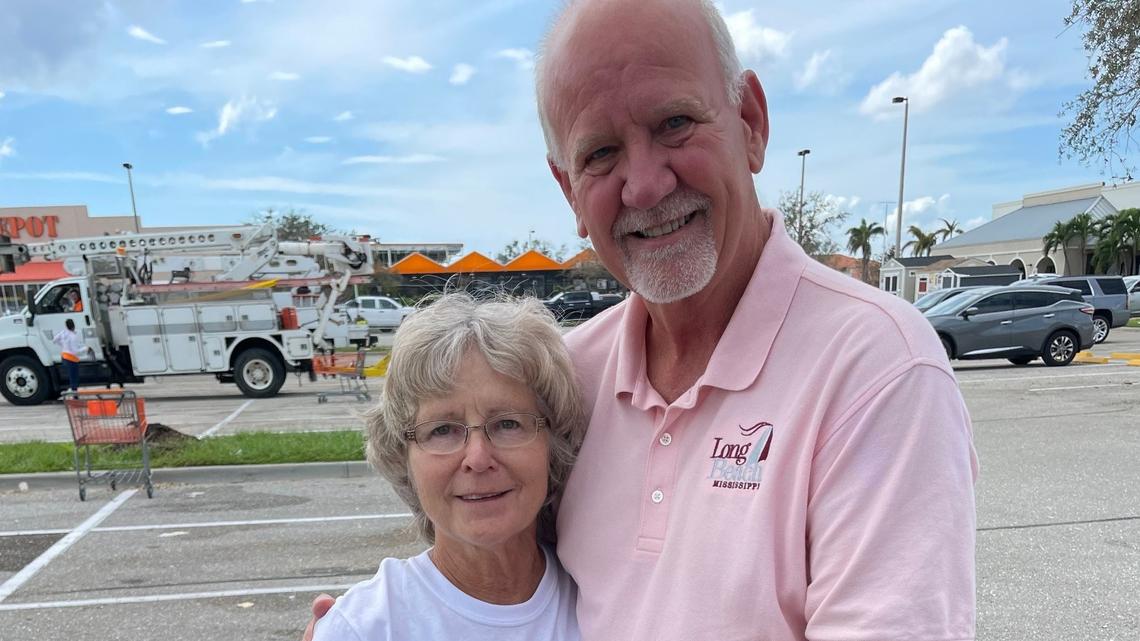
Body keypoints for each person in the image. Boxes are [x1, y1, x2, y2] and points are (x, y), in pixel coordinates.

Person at [308, 1, 977, 639]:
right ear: (568, 188)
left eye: (674, 124)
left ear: (750, 121)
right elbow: (501, 577)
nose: (646, 184)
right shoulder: (573, 379)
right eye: (599, 153)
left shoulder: (876, 367)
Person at [309, 293, 584, 641]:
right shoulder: (368, 627)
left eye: (508, 424)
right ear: (402, 457)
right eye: (442, 430)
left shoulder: (603, 603)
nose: (478, 458)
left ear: (553, 444)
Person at [52, 318, 88, 391]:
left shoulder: (63, 333)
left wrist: (63, 345)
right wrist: (86, 348)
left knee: (71, 376)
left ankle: (74, 393)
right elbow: (75, 352)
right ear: (73, 326)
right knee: (74, 377)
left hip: (64, 357)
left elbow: (54, 340)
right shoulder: (73, 336)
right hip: (71, 359)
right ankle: (75, 395)